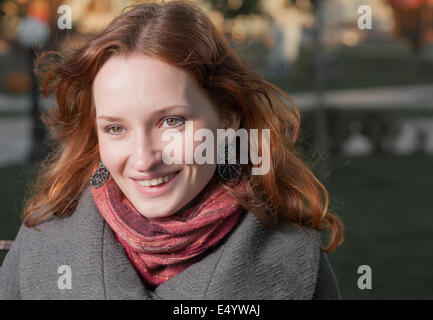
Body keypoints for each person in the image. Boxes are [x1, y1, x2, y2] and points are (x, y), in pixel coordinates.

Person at [0, 0, 344, 300]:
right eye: (116, 128)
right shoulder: (42, 246)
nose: (144, 159)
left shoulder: (292, 256)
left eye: (172, 122)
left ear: (227, 120)